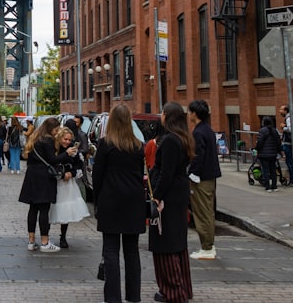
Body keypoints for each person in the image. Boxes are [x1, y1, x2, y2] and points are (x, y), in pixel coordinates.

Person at [93, 104, 148, 303]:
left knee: (111, 250)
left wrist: (97, 201)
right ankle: (134, 296)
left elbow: (97, 176)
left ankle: (113, 297)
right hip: (133, 201)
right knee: (132, 251)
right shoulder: (138, 146)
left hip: (110, 200)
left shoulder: (105, 144)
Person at [149, 101, 195, 303]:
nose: (160, 116)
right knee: (177, 241)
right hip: (179, 193)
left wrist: (156, 196)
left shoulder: (169, 141)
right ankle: (182, 287)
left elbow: (165, 173)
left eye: (162, 113)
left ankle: (173, 290)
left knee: (165, 241)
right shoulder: (183, 138)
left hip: (168, 196)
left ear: (167, 115)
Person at [18, 116, 73, 252]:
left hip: (32, 175)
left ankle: (31, 241)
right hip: (43, 177)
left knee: (33, 209)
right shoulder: (47, 140)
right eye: (56, 129)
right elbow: (53, 160)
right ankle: (45, 242)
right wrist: (67, 153)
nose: (56, 132)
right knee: (43, 209)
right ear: (50, 128)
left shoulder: (35, 138)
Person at [187, 99, 221, 260]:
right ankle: (208, 245)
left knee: (202, 212)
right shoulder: (207, 129)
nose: (188, 115)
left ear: (195, 113)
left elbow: (198, 155)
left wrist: (193, 173)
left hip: (202, 178)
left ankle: (207, 247)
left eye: (190, 112)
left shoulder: (199, 132)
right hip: (209, 176)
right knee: (207, 211)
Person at [52, 125, 90, 249]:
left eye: (69, 140)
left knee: (66, 210)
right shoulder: (54, 149)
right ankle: (45, 235)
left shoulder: (74, 151)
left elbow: (79, 167)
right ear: (59, 138)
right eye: (65, 139)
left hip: (68, 184)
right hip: (54, 182)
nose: (67, 142)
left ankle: (63, 236)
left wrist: (71, 173)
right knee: (51, 208)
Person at [254, 116, 281, 192]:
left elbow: (260, 142)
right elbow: (278, 142)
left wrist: (256, 149)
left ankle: (267, 186)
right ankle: (274, 186)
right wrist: (278, 151)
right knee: (273, 169)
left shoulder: (262, 131)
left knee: (265, 170)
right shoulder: (274, 130)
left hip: (264, 154)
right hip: (273, 154)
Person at [280, 104, 293, 184]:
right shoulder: (292, 117)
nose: (280, 111)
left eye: (281, 110)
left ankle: (292, 180)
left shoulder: (289, 118)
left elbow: (290, 129)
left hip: (288, 143)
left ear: (286, 111)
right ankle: (292, 179)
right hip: (290, 143)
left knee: (290, 162)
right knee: (291, 161)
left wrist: (283, 127)